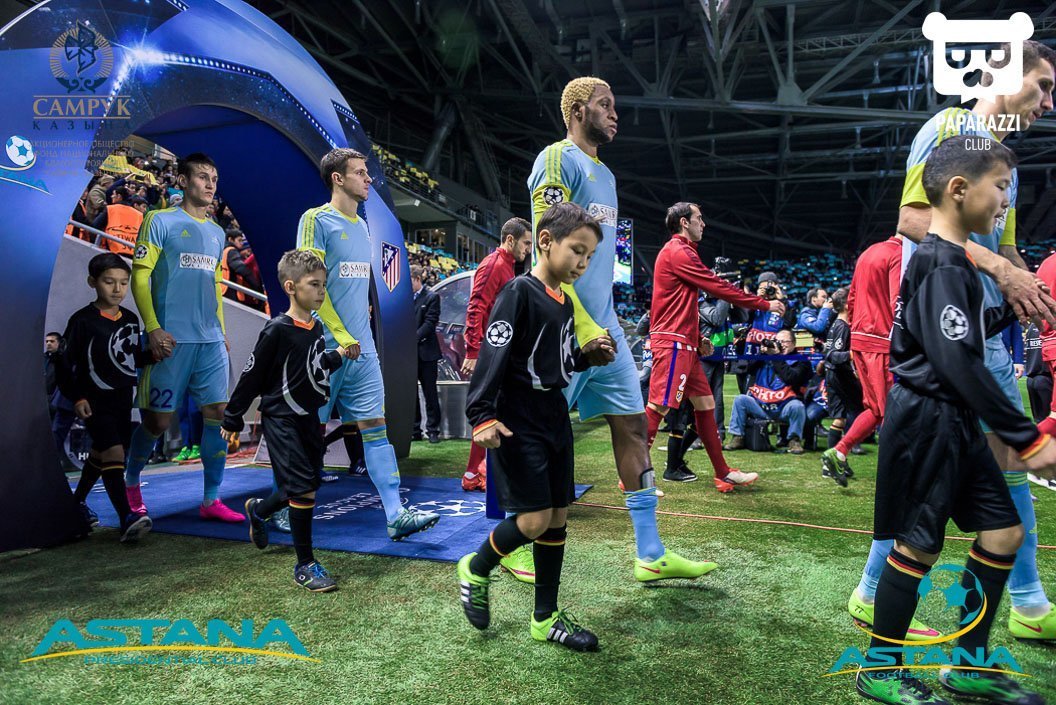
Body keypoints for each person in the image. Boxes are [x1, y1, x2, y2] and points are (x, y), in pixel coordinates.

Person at [853, 135, 1056, 705]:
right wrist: (1028, 439)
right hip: (929, 420)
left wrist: (1005, 313)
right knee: (918, 548)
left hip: (953, 418)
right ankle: (879, 671)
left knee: (1004, 532)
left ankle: (968, 664)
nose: (1006, 201)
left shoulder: (949, 262)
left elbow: (948, 340)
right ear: (960, 189)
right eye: (1001, 187)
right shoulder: (943, 263)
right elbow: (957, 364)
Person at [894, 41, 1056, 643]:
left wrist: (1031, 291)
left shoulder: (1005, 161)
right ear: (1004, 75)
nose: (1048, 102)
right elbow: (913, 219)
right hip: (945, 329)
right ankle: (1021, 608)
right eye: (1042, 85)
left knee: (991, 473)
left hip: (984, 330)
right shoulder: (950, 127)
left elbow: (1004, 247)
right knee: (954, 482)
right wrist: (1001, 270)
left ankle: (1023, 606)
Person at [528, 76, 714, 582]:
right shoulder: (556, 159)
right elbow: (548, 244)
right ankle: (518, 543)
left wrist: (599, 318)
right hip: (558, 322)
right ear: (577, 110)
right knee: (536, 436)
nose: (614, 114)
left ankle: (650, 552)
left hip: (603, 322)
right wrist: (582, 321)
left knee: (632, 424)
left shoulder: (607, 176)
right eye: (604, 105)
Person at [458, 202, 618, 651]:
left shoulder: (563, 301)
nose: (583, 263)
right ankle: (476, 567)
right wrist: (481, 414)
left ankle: (545, 618)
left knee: (558, 517)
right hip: (518, 419)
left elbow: (556, 361)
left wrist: (587, 357)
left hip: (554, 417)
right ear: (545, 242)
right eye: (577, 251)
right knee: (532, 520)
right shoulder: (519, 291)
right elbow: (495, 352)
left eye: (589, 256)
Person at [298, 147, 440, 540]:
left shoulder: (362, 226)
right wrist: (340, 335)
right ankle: (278, 507)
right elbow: (310, 285)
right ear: (338, 178)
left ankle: (395, 513)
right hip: (322, 348)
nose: (368, 179)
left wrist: (359, 331)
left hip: (362, 349)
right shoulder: (316, 220)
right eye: (360, 173)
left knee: (375, 426)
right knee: (308, 432)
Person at [123, 153, 244, 523]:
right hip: (169, 340)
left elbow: (215, 285)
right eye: (203, 177)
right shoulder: (159, 220)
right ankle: (130, 482)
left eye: (214, 179)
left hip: (210, 341)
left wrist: (222, 331)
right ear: (183, 180)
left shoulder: (217, 232)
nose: (210, 185)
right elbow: (140, 276)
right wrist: (153, 327)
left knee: (218, 415)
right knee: (158, 423)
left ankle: (211, 499)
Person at [222, 250, 347, 592]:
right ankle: (305, 564)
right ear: (291, 287)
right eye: (314, 284)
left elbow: (312, 366)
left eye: (323, 285)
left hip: (308, 418)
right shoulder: (277, 329)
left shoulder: (316, 326)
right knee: (303, 487)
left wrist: (337, 356)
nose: (321, 291)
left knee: (306, 483)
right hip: (281, 418)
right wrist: (232, 417)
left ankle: (259, 511)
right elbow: (251, 376)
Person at [645, 202, 778, 490]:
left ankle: (723, 473)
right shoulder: (678, 252)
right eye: (699, 218)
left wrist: (696, 339)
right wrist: (764, 304)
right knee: (659, 406)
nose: (703, 224)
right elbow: (717, 286)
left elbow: (679, 305)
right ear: (684, 222)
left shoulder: (682, 252)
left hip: (684, 344)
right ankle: (634, 475)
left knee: (705, 405)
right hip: (673, 344)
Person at [57, 253, 156, 542]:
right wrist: (77, 398)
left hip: (123, 399)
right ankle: (127, 517)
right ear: (93, 282)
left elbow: (131, 358)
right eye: (109, 282)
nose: (117, 289)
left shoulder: (131, 319)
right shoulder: (82, 321)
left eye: (123, 283)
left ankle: (74, 504)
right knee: (114, 453)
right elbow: (63, 364)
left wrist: (154, 355)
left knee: (103, 454)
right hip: (94, 400)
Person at [460, 216, 533, 493]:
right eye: (526, 243)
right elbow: (476, 306)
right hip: (490, 352)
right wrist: (473, 351)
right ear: (510, 240)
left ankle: (477, 472)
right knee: (489, 411)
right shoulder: (494, 264)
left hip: (499, 351)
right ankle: (474, 473)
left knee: (498, 410)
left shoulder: (506, 265)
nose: (528, 249)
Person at [724, 329, 811, 454]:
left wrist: (777, 357)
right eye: (778, 341)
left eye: (785, 341)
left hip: (784, 406)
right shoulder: (766, 357)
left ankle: (794, 440)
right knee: (740, 400)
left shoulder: (801, 360)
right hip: (761, 405)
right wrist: (761, 354)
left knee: (797, 406)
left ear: (793, 343)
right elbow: (749, 369)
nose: (781, 344)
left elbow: (791, 377)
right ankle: (738, 437)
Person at [818, 287, 862, 485]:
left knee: (840, 418)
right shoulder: (842, 326)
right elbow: (833, 355)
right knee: (860, 413)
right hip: (839, 376)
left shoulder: (837, 324)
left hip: (834, 375)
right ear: (846, 305)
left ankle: (837, 461)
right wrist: (853, 355)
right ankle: (835, 460)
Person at [411, 264, 442, 443]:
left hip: (427, 354)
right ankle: (415, 429)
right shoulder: (405, 299)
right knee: (411, 393)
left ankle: (433, 430)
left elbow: (430, 323)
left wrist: (411, 339)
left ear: (417, 279)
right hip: (409, 355)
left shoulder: (432, 297)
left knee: (430, 393)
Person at [93, 192, 148, 257]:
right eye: (144, 206)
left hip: (111, 250)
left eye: (113, 194)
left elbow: (96, 224)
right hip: (131, 253)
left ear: (119, 196)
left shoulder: (111, 209)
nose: (145, 210)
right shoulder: (140, 216)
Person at [220, 228, 264, 304]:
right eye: (239, 240)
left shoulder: (223, 250)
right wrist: (256, 287)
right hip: (229, 291)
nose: (242, 243)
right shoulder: (232, 251)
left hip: (223, 289)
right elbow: (241, 269)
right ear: (230, 239)